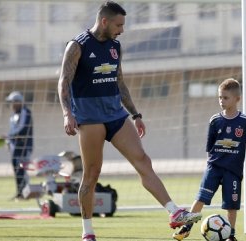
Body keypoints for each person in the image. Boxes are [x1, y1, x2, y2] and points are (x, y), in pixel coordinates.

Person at [57, 1, 201, 241]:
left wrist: (136, 114)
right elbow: (63, 81)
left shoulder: (115, 46)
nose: (122, 30)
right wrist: (67, 113)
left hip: (116, 114)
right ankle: (88, 232)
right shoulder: (77, 46)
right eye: (118, 24)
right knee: (91, 174)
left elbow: (119, 82)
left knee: (143, 160)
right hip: (90, 118)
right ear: (104, 21)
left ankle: (174, 212)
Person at [173, 78, 246, 241]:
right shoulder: (215, 120)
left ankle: (231, 235)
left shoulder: (245, 122)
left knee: (231, 205)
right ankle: (186, 227)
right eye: (220, 97)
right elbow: (209, 147)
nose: (221, 101)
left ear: (237, 99)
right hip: (214, 168)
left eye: (225, 98)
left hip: (233, 171)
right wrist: (209, 166)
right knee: (200, 198)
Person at [3, 91, 34, 200]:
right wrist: (8, 141)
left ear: (19, 102)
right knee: (16, 170)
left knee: (22, 170)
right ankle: (20, 193)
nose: (11, 104)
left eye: (12, 102)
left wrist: (8, 136)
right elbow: (13, 130)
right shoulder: (12, 116)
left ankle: (26, 193)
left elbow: (22, 129)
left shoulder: (26, 112)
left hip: (24, 147)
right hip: (14, 148)